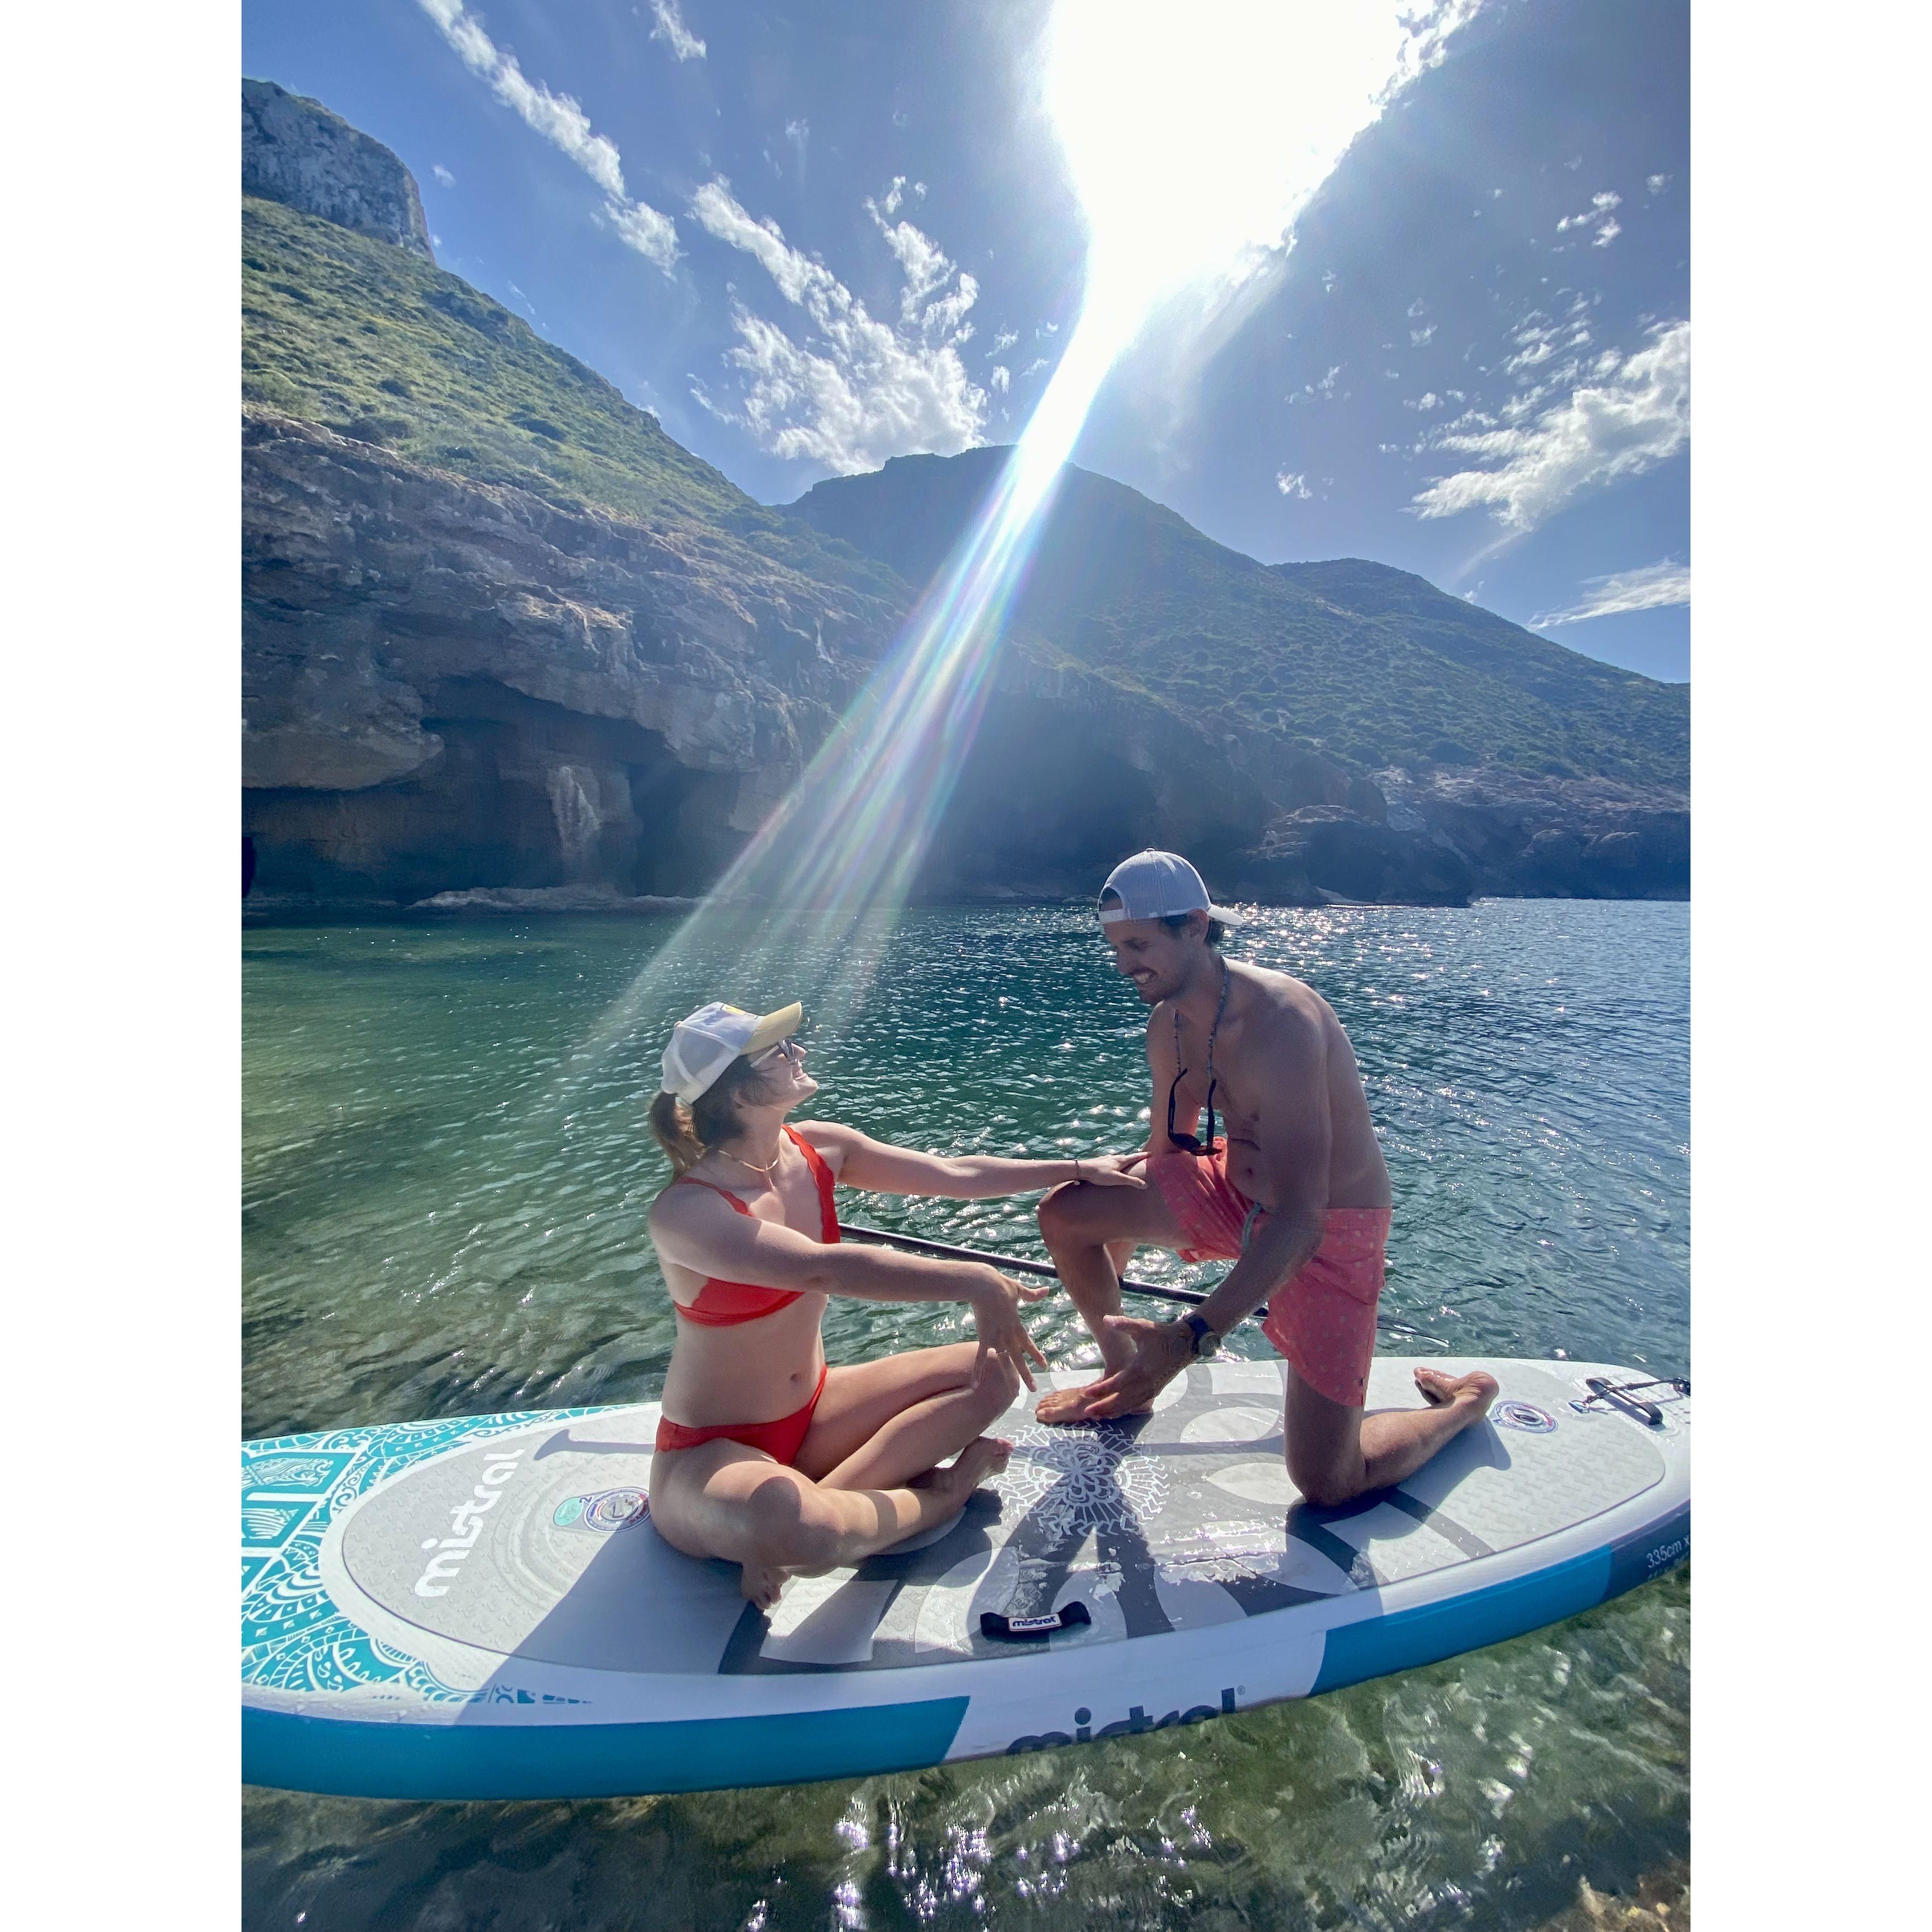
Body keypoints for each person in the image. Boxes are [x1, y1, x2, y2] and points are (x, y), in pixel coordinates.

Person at [1031, 850, 1498, 1507]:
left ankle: (1467, 1403)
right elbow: (1167, 1154)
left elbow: (1302, 1221)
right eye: (1116, 948)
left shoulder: (1283, 1025)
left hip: (1329, 1226)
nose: (1123, 965)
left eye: (1138, 945)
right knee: (1068, 1213)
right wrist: (1108, 1208)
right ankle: (1125, 1378)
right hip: (1233, 1189)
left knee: (1329, 1482)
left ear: (1196, 927)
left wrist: (1187, 1340)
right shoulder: (1168, 1026)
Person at [645, 998, 1139, 1608]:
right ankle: (939, 1497)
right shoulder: (688, 1213)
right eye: (779, 1051)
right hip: (709, 1454)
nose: (798, 1051)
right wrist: (975, 1280)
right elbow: (822, 1268)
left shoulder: (818, 1148)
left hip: (817, 1414)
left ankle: (823, 1512)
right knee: (797, 1526)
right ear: (740, 1094)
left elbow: (953, 1174)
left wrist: (1079, 1166)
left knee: (993, 1370)